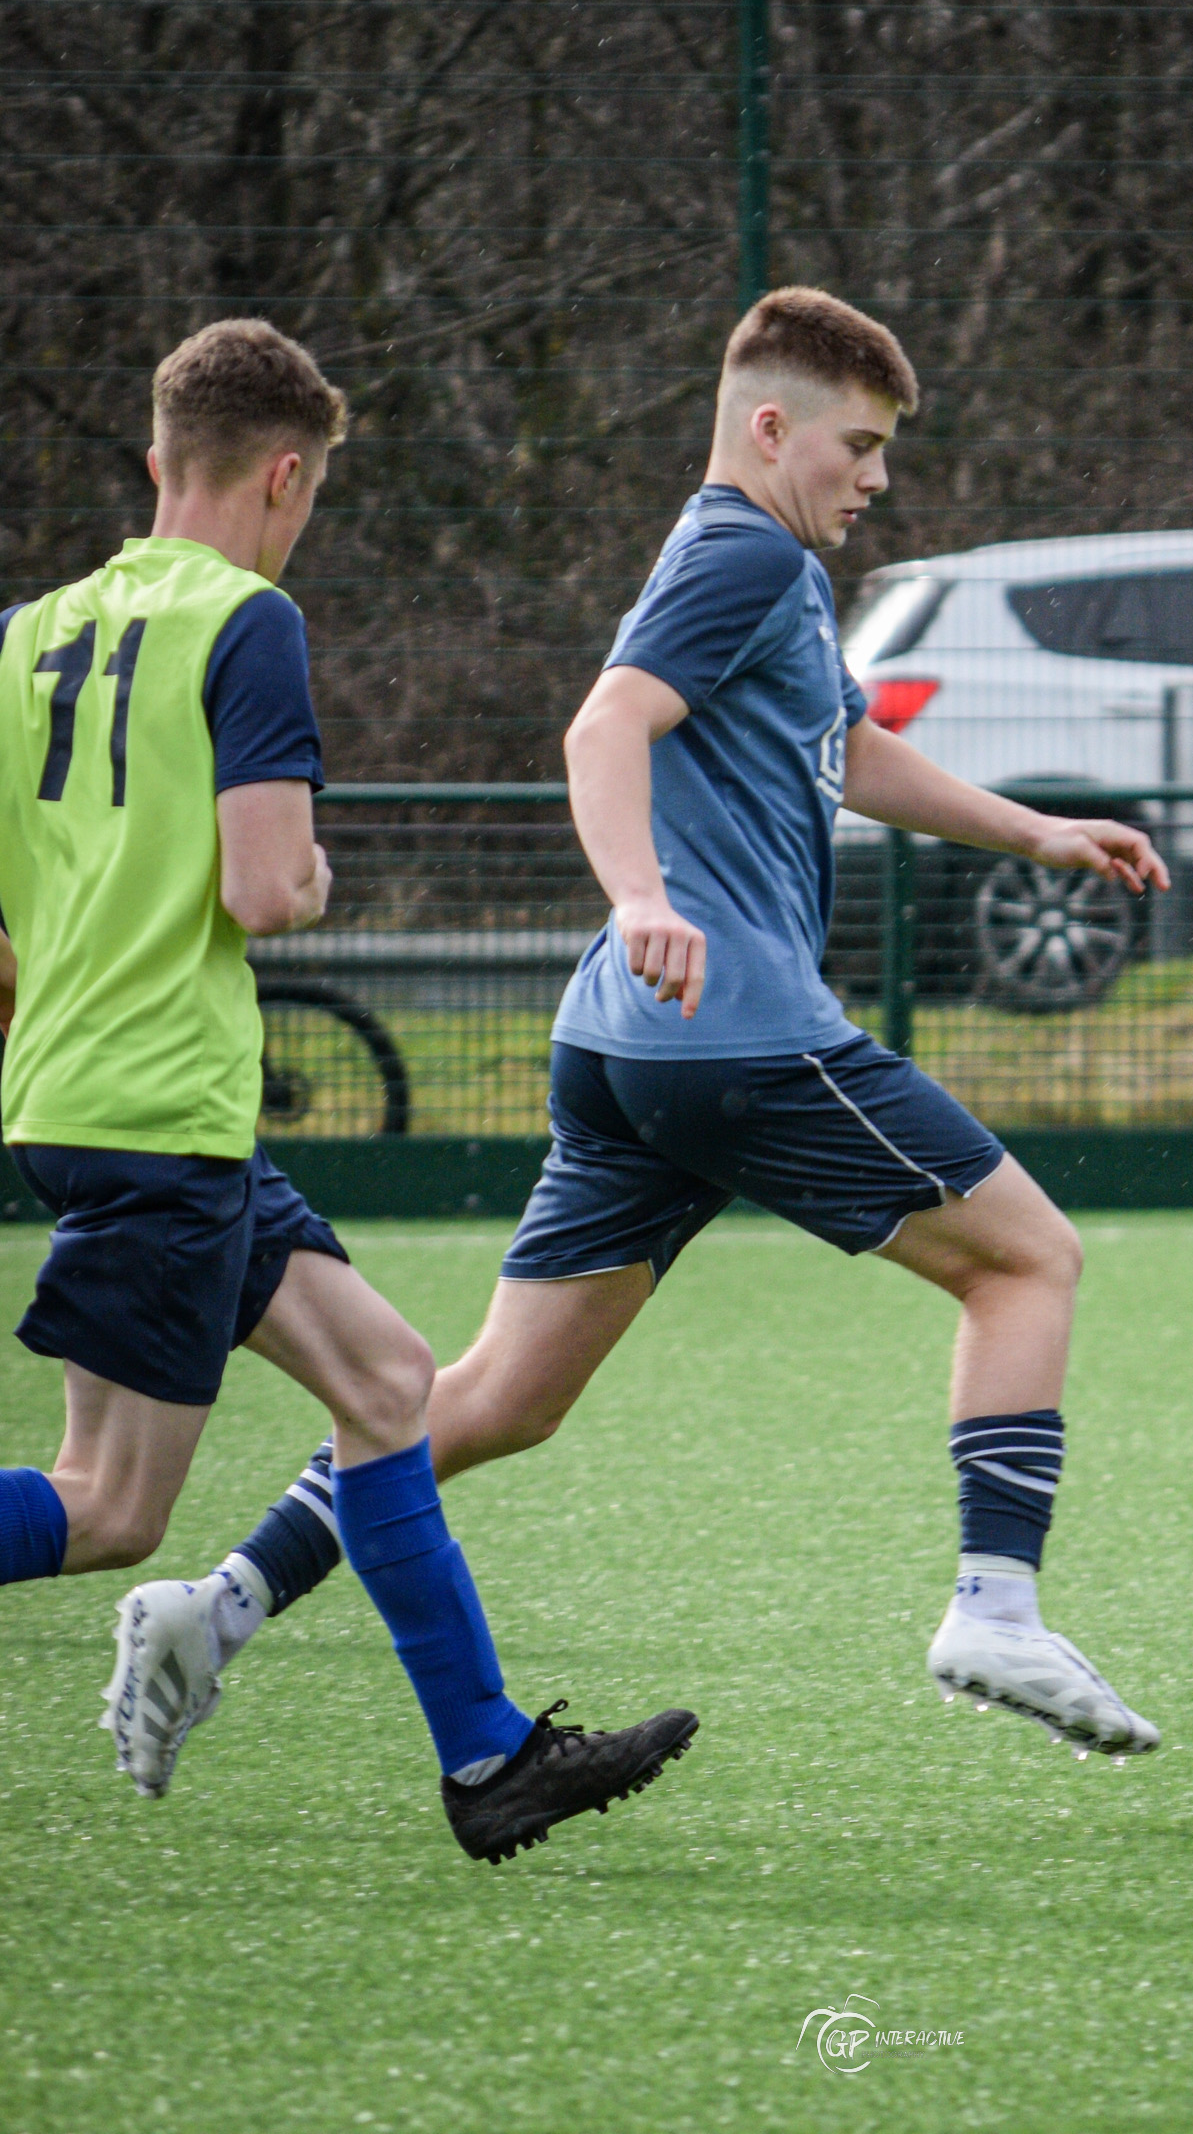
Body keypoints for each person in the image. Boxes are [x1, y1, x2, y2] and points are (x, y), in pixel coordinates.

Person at [134, 287, 1167, 1781]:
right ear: (770, 427)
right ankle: (994, 1606)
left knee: (496, 1400)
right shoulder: (745, 548)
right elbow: (604, 725)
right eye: (859, 446)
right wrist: (638, 896)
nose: (875, 478)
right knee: (1030, 1260)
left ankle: (218, 1605)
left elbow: (849, 750)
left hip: (626, 1057)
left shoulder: (776, 573)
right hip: (730, 1032)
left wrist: (1037, 834)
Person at [0, 319, 695, 1862]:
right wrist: (308, 870)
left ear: (153, 460)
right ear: (287, 474)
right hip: (162, 1112)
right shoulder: (249, 622)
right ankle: (486, 1758)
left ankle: (489, 1762)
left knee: (387, 1388)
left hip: (90, 1099)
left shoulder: (23, 637)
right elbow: (267, 889)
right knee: (109, 1507)